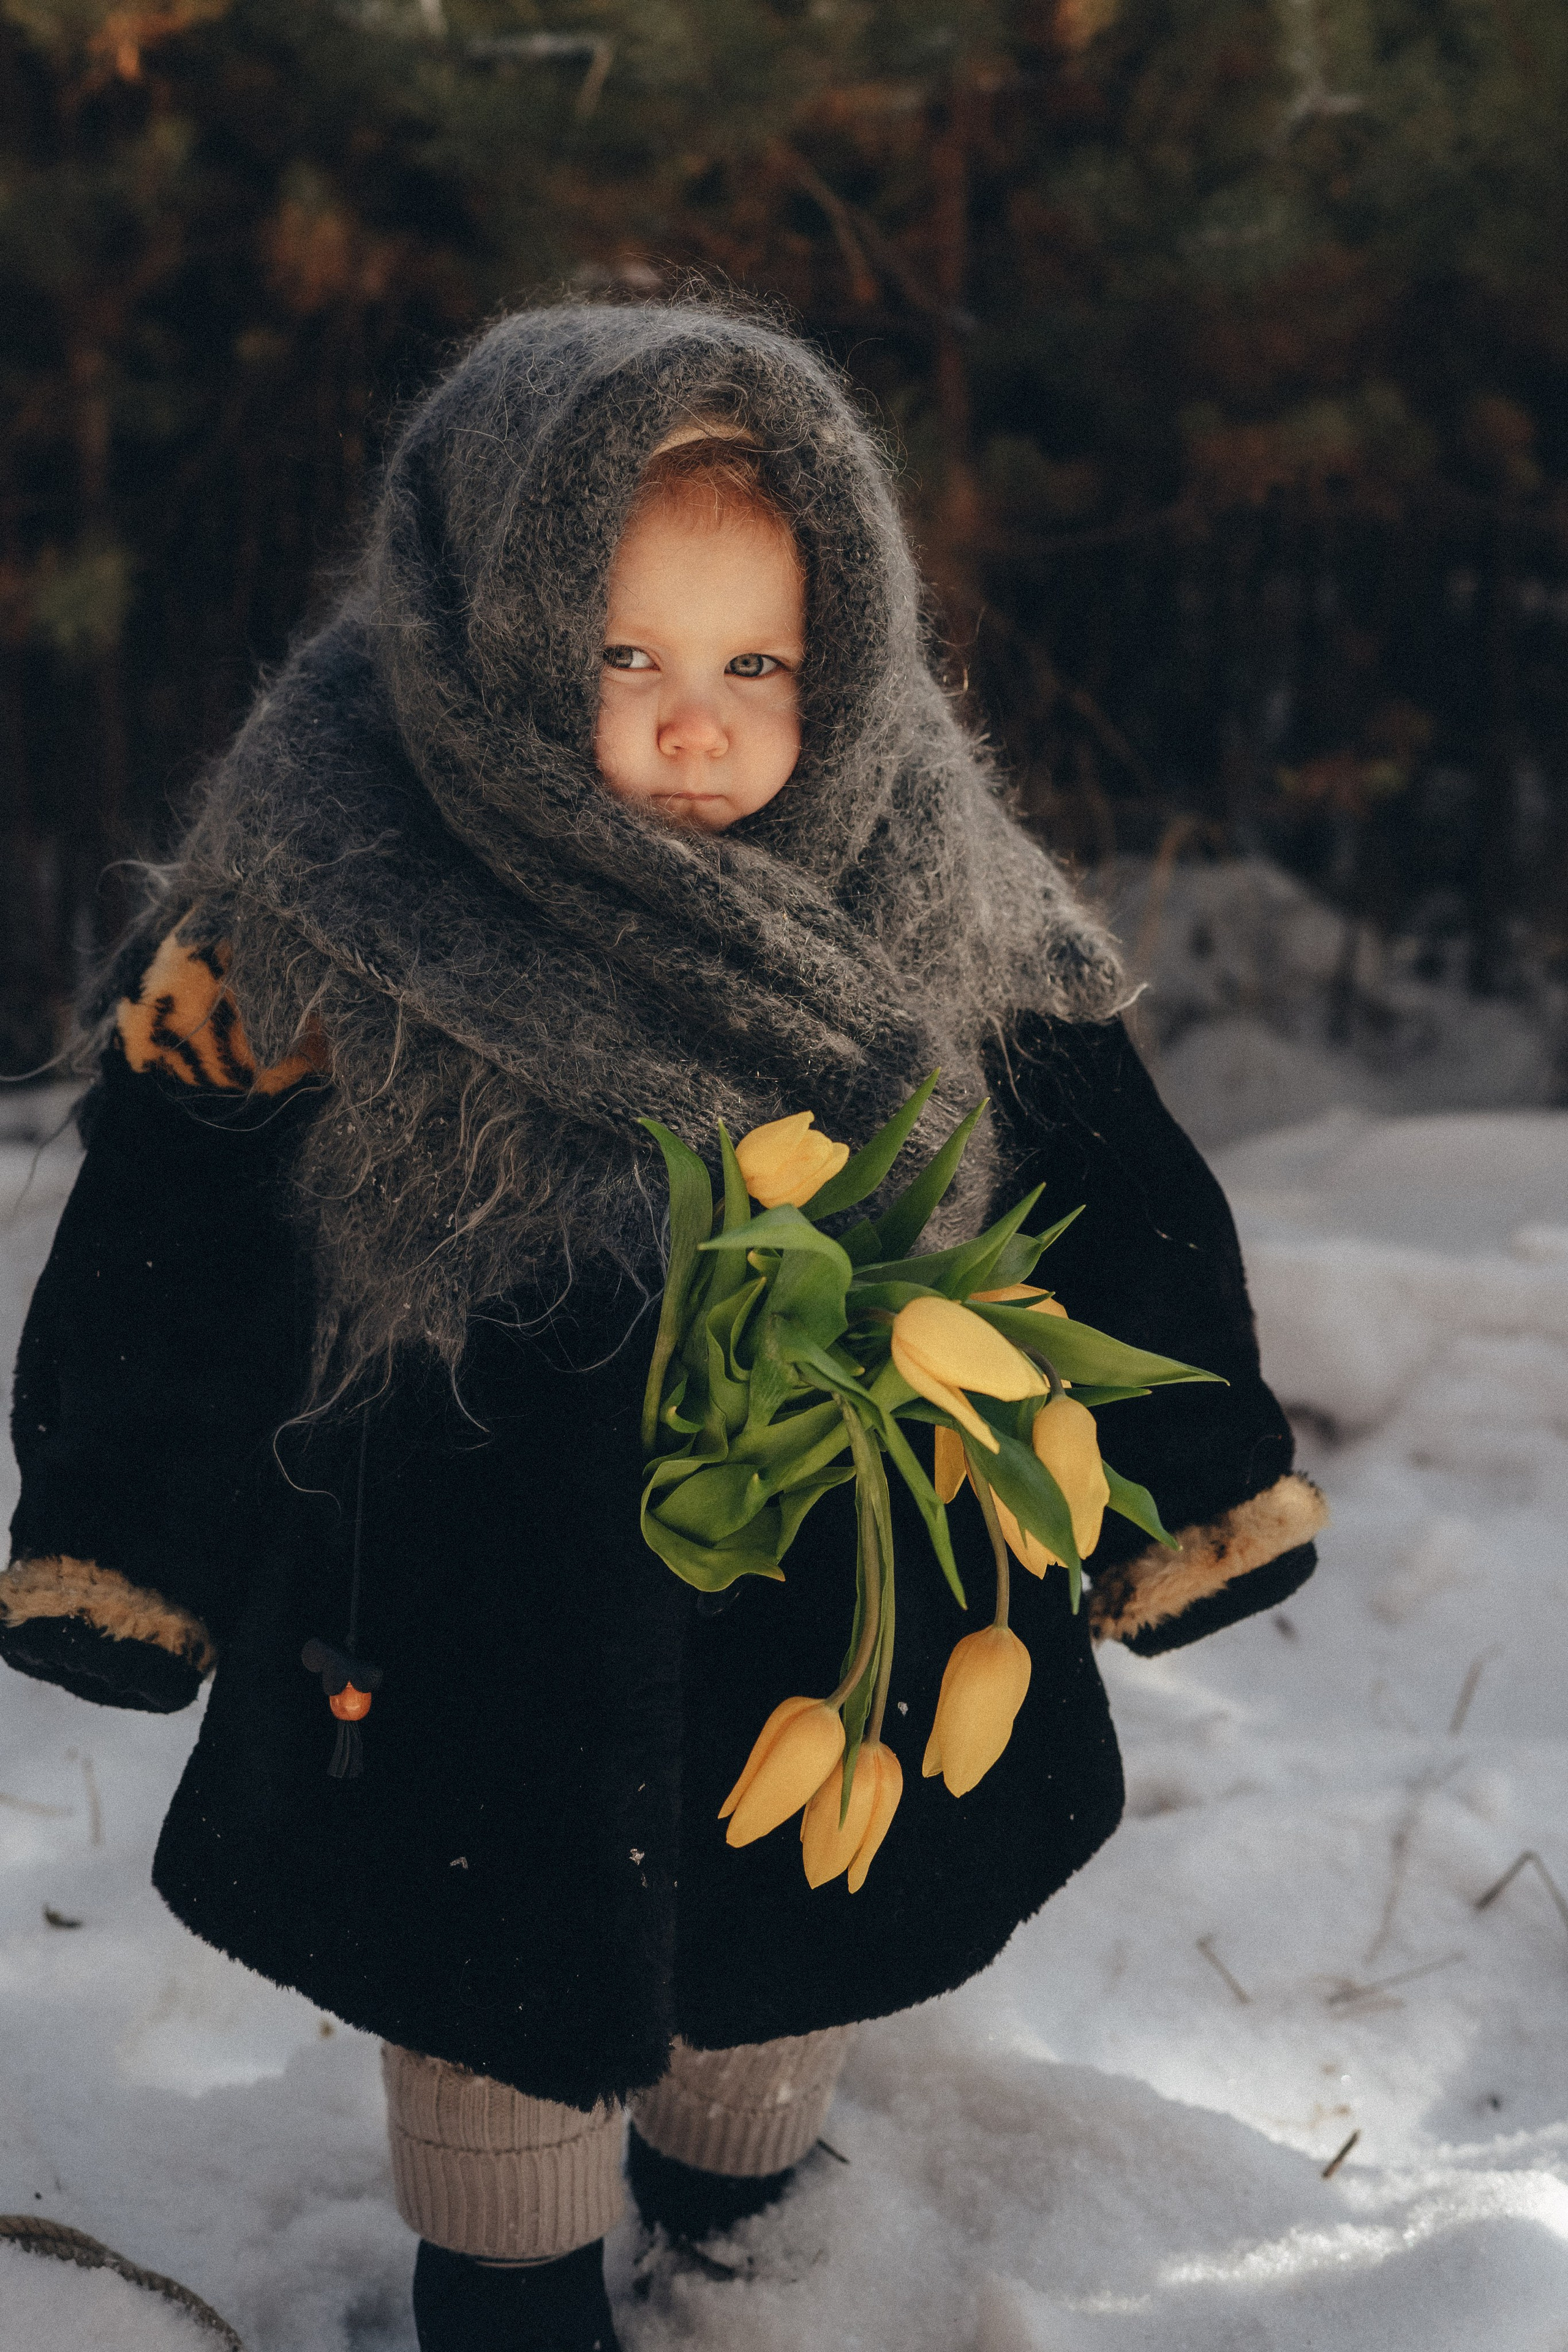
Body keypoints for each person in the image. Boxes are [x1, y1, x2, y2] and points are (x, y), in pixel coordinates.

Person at [1, 300, 1324, 2352]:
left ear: (850, 651)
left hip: (828, 1552)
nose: (697, 724)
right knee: (487, 1979)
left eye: (756, 664)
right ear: (488, 635)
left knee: (789, 1906)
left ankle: (751, 2216)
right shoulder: (313, 895)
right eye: (624, 657)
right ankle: (504, 2286)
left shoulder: (929, 877)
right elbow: (178, 1236)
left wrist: (1189, 1486)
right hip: (450, 1594)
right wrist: (126, 1534)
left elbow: (1104, 1188)